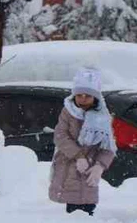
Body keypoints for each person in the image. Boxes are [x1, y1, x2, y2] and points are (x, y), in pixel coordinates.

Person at [49, 67, 117, 215]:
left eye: (88, 95)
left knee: (88, 205)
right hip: (68, 164)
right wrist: (78, 156)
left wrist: (100, 166)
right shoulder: (67, 112)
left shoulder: (102, 117)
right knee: (72, 205)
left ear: (95, 98)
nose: (83, 99)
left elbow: (108, 146)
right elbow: (60, 136)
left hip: (90, 168)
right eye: (79, 95)